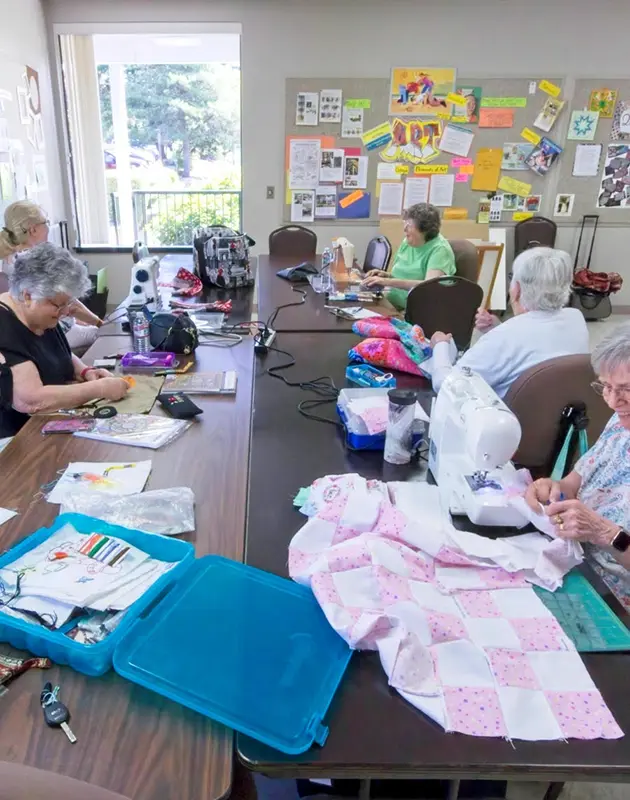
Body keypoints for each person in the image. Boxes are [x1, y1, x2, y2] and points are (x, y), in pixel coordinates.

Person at [525, 323, 630, 611]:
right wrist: (553, 488)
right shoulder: (621, 424)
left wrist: (605, 533)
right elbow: (575, 482)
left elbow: (607, 536)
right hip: (577, 560)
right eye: (606, 387)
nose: (611, 401)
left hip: (614, 596)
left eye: (626, 389)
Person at [0, 242, 128, 438]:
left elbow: (58, 353)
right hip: (17, 439)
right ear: (28, 295)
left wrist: (85, 371)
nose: (67, 311)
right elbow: (31, 400)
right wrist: (98, 389)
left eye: (68, 303)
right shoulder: (4, 325)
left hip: (49, 421)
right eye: (60, 305)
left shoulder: (41, 314)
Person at [430, 246, 589, 398]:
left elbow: (448, 387)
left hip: (505, 419)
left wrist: (440, 346)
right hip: (557, 418)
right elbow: (534, 343)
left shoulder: (504, 337)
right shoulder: (576, 319)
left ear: (517, 289)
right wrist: (497, 326)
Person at [0, 200, 102, 350]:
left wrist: (76, 319)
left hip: (43, 328)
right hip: (44, 333)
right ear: (33, 229)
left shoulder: (12, 259)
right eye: (45, 222)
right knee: (101, 335)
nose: (48, 227)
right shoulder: (31, 261)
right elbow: (67, 302)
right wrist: (99, 323)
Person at [362, 203, 456, 311]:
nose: (404, 229)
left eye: (409, 225)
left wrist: (386, 282)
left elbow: (429, 286)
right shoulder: (408, 242)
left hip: (413, 311)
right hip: (391, 302)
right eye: (405, 223)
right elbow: (404, 275)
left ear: (424, 230)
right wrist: (386, 276)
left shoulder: (440, 250)